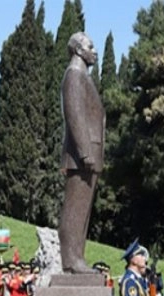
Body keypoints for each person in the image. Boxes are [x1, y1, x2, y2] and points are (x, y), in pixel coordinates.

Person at [58, 32, 105, 274]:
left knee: (83, 211)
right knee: (75, 209)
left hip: (89, 154)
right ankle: (71, 259)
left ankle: (78, 257)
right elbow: (75, 115)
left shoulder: (82, 75)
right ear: (78, 50)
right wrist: (86, 152)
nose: (95, 51)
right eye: (90, 46)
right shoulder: (74, 75)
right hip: (81, 156)